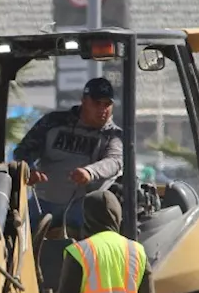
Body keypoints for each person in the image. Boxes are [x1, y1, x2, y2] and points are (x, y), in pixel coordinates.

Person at [12, 77, 124, 233]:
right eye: (97, 103)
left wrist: (89, 172)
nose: (102, 110)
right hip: (43, 202)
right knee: (16, 236)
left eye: (107, 104)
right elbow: (23, 151)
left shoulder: (113, 135)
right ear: (84, 101)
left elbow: (114, 161)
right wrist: (29, 170)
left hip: (84, 209)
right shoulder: (53, 122)